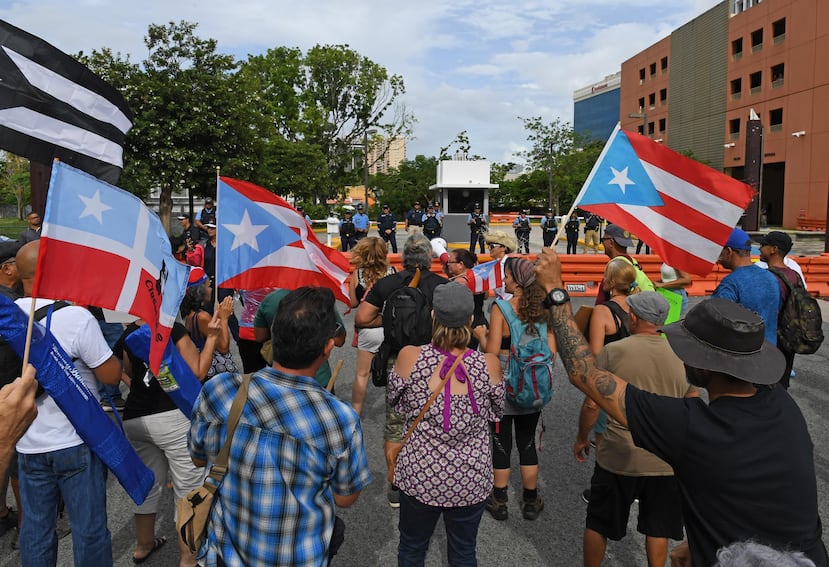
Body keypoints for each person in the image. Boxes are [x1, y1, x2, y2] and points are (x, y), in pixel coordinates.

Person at [534, 246, 829, 567]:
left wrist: (555, 291)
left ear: (706, 364)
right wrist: (706, 541)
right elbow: (765, 495)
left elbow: (584, 374)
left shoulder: (694, 428)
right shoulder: (784, 408)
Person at [189, 286, 372, 566]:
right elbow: (345, 497)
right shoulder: (339, 418)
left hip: (225, 552)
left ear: (274, 337)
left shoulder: (220, 389)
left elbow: (197, 457)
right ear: (327, 347)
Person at [14, 240, 124, 567]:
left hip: (27, 442)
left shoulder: (9, 319)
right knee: (89, 530)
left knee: (35, 529)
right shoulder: (75, 317)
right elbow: (110, 376)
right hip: (77, 439)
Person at [575, 292, 697, 567]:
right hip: (665, 457)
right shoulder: (681, 354)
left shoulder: (613, 351)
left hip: (618, 453)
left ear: (633, 317)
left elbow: (593, 404)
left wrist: (582, 437)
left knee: (599, 520)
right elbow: (692, 404)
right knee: (659, 526)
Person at [389, 284, 503, 565]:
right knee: (464, 550)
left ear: (432, 316)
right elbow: (496, 412)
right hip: (470, 476)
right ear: (470, 320)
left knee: (412, 547)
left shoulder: (409, 357)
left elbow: (396, 402)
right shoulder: (488, 364)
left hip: (420, 473)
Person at [120, 311, 222, 566]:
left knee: (149, 482)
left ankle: (144, 544)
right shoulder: (171, 329)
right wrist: (211, 337)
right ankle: (188, 559)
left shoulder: (129, 332)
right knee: (189, 488)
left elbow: (129, 373)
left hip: (135, 418)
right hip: (171, 415)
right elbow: (198, 371)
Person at [355, 234, 448, 507]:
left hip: (398, 360)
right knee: (432, 419)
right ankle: (430, 477)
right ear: (429, 257)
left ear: (404, 257)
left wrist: (391, 322)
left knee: (396, 423)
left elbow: (361, 319)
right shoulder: (441, 286)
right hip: (433, 361)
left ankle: (396, 484)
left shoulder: (387, 283)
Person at [484, 257, 556, 521]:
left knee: (501, 442)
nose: (505, 280)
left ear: (517, 278)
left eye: (508, 275)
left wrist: (481, 337)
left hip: (506, 381)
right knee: (527, 441)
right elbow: (552, 350)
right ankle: (529, 498)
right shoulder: (544, 308)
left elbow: (492, 353)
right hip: (533, 384)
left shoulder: (501, 308)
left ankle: (500, 498)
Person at [254, 288, 347, 390]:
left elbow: (260, 336)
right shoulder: (320, 303)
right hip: (319, 378)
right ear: (328, 345)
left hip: (277, 378)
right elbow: (339, 340)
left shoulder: (269, 300)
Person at [349, 236, 396, 415]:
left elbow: (353, 302)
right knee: (393, 372)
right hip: (389, 327)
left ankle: (356, 412)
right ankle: (394, 413)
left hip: (367, 329)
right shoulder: (392, 271)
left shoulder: (358, 274)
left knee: (362, 374)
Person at [712, 227, 780, 345]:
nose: (717, 259)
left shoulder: (731, 283)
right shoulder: (770, 277)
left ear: (729, 251)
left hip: (742, 353)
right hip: (769, 350)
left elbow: (716, 320)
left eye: (719, 252)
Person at [757, 230, 800, 387]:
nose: (760, 248)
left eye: (763, 245)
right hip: (789, 337)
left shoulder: (766, 277)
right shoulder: (795, 275)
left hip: (770, 340)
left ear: (773, 249)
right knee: (782, 386)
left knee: (764, 386)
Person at [179, 267, 236, 379]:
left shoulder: (191, 315)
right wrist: (224, 319)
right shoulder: (202, 317)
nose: (211, 289)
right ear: (201, 291)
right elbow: (223, 347)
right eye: (209, 286)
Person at [596, 224, 654, 304]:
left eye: (603, 240)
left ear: (611, 242)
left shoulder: (615, 266)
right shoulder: (633, 262)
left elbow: (601, 302)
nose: (602, 243)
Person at [443, 248, 488, 350]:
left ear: (461, 264)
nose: (448, 264)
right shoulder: (479, 277)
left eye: (450, 262)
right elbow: (486, 296)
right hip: (481, 321)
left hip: (465, 326)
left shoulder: (459, 282)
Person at [485, 230, 517, 300]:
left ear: (503, 248)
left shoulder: (512, 265)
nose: (489, 249)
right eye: (489, 246)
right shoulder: (493, 266)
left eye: (492, 246)